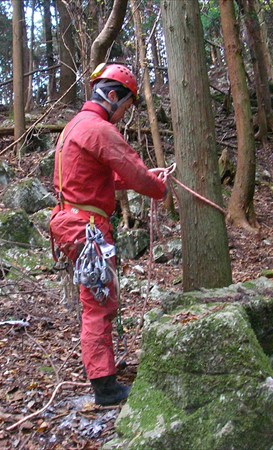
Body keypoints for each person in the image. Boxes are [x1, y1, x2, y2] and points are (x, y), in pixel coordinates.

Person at [49, 64, 168, 406]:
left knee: (98, 300)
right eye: (127, 106)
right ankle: (104, 386)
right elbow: (133, 170)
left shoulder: (75, 126)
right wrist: (157, 187)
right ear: (113, 96)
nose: (125, 114)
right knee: (99, 304)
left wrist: (144, 177)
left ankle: (105, 375)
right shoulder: (99, 129)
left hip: (75, 220)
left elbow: (97, 177)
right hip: (87, 228)